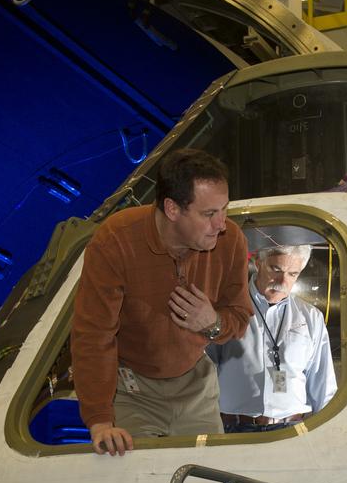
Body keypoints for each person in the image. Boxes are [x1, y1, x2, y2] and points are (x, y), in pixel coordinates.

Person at [71, 149, 253, 456]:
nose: (221, 224)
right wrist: (100, 420)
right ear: (171, 209)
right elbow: (94, 334)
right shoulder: (115, 240)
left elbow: (239, 319)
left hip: (196, 386)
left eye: (224, 210)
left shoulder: (231, 240)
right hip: (133, 391)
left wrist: (212, 323)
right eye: (209, 214)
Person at [213, 243, 337, 432]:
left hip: (292, 430)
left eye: (292, 274)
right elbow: (205, 369)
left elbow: (323, 382)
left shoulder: (311, 317)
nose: (282, 281)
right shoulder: (227, 308)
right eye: (275, 269)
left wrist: (329, 434)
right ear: (257, 262)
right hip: (234, 428)